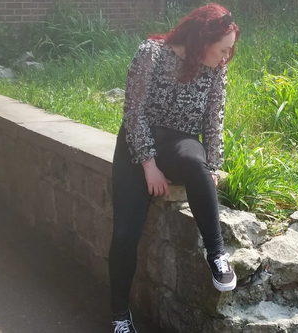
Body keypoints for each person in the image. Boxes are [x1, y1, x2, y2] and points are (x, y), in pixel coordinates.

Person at [108, 3, 240, 332]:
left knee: (198, 165)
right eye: (223, 49)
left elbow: (214, 120)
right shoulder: (151, 53)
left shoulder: (216, 70)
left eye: (230, 51)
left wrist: (213, 165)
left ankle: (217, 253)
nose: (226, 57)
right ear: (203, 39)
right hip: (136, 145)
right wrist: (148, 165)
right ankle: (119, 316)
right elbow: (133, 112)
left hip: (180, 142)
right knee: (125, 235)